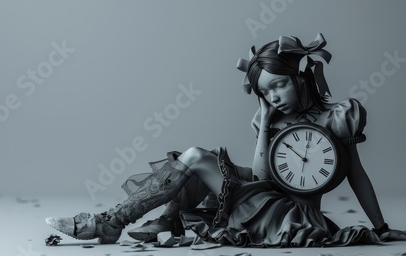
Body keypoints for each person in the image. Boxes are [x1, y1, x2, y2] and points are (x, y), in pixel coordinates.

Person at [45, 33, 406, 247]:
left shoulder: (338, 117)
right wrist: (265, 125)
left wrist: (381, 227)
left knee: (198, 157)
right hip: (265, 197)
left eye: (279, 84)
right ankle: (131, 220)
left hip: (291, 214)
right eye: (266, 93)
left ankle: (114, 223)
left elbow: (356, 174)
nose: (275, 97)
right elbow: (267, 175)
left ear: (300, 77)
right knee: (201, 157)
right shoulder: (269, 119)